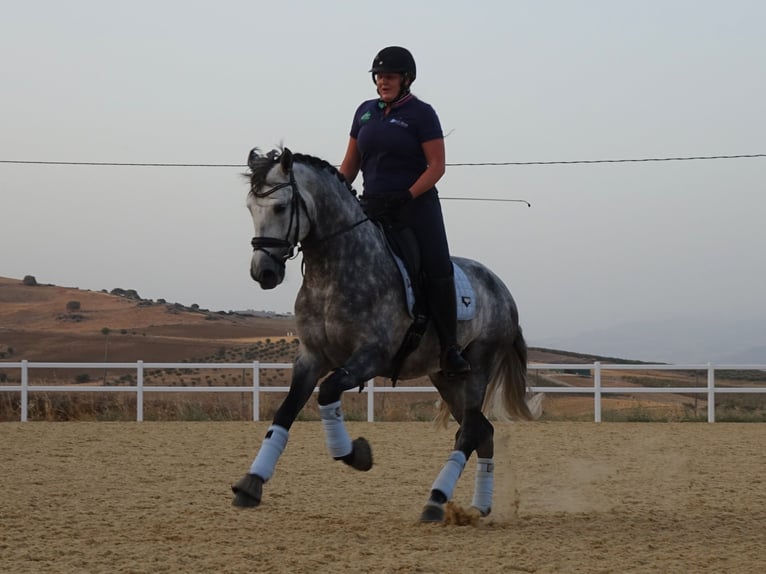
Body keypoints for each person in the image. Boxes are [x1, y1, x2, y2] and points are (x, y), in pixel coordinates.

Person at [339, 46, 470, 375]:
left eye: (390, 76)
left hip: (416, 206)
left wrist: (407, 195)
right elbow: (350, 166)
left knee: (437, 266)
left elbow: (437, 166)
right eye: (379, 76)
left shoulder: (421, 114)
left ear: (406, 79)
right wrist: (334, 192)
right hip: (371, 205)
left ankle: (450, 348)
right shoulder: (364, 113)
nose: (384, 81)